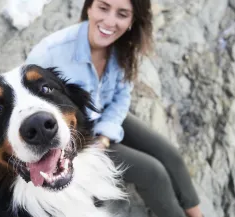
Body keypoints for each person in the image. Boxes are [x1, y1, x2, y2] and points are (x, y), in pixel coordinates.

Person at [25, 0, 203, 216]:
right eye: (103, 7)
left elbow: (121, 97)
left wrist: (106, 134)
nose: (110, 21)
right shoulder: (50, 53)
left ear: (131, 20)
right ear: (89, 7)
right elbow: (31, 107)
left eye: (122, 13)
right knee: (153, 173)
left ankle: (197, 214)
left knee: (170, 155)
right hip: (76, 137)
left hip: (104, 116)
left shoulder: (123, 48)